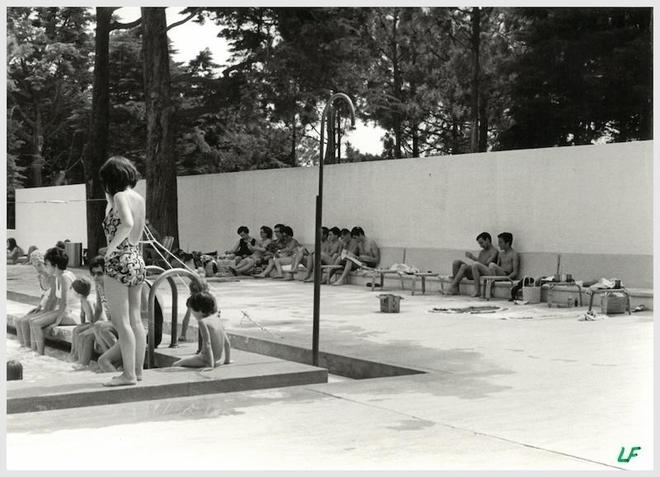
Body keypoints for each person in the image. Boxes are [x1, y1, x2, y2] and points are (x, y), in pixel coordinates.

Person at [99, 155, 147, 386]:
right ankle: (137, 371)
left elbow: (126, 224)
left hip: (118, 261)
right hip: (136, 258)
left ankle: (128, 375)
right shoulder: (138, 197)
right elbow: (136, 233)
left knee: (122, 322)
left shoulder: (119, 197)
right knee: (136, 320)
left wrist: (110, 250)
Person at [29, 247, 78, 354]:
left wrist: (56, 322)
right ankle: (33, 351)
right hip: (65, 311)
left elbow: (64, 303)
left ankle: (40, 354)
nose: (46, 267)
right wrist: (43, 311)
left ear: (55, 266)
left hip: (74, 313)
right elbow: (54, 299)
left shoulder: (65, 277)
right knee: (32, 321)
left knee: (36, 324)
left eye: (47, 264)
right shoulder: (58, 276)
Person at [173, 291, 231, 368]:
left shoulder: (202, 322)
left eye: (192, 310)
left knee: (176, 364)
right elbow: (227, 343)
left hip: (204, 359)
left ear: (199, 310)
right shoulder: (217, 319)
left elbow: (207, 344)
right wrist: (227, 360)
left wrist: (210, 365)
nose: (192, 313)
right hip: (218, 360)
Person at [15, 250, 56, 347]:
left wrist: (43, 310)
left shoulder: (53, 277)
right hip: (45, 307)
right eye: (34, 266)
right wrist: (39, 307)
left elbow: (53, 297)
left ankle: (31, 348)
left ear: (44, 263)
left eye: (39, 265)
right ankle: (24, 347)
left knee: (26, 321)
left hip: (53, 308)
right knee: (18, 320)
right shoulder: (40, 277)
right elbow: (43, 295)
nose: (37, 268)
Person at [471, 232, 520, 297]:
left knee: (492, 265)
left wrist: (507, 278)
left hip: (506, 275)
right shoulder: (501, 254)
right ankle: (477, 291)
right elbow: (497, 267)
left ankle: (490, 290)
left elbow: (515, 272)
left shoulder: (514, 254)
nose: (498, 245)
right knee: (475, 265)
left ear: (507, 243)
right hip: (496, 274)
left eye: (500, 242)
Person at [68, 278, 96, 363]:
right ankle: (73, 353)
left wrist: (86, 329)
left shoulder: (87, 301)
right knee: (75, 330)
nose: (71, 291)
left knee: (80, 335)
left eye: (72, 290)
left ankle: (78, 357)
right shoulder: (82, 299)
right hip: (91, 323)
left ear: (78, 293)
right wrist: (81, 325)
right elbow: (82, 315)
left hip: (95, 324)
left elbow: (92, 319)